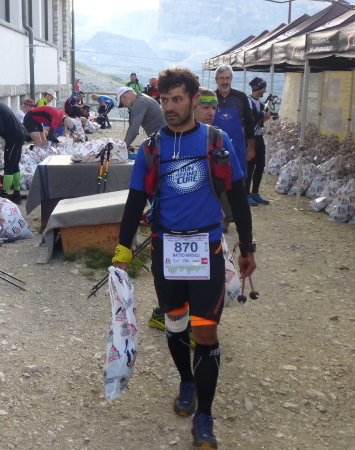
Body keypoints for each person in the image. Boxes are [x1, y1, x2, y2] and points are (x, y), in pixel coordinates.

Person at [112, 68, 256, 449]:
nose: (169, 107)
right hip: (167, 250)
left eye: (177, 99)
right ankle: (187, 381)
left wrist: (247, 246)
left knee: (205, 331)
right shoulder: (151, 148)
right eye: (164, 100)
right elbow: (134, 203)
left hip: (207, 249)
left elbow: (237, 196)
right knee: (175, 326)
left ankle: (204, 416)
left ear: (194, 100)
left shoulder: (216, 141)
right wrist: (122, 252)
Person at [147, 86, 224, 338]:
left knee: (199, 287)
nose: (211, 112)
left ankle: (194, 325)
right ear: (193, 105)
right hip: (171, 235)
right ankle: (167, 315)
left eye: (214, 108)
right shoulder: (161, 142)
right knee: (177, 292)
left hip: (205, 234)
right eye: (205, 107)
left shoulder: (217, 139)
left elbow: (228, 187)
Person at [213, 64, 256, 231]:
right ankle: (223, 218)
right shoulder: (211, 98)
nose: (225, 81)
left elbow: (250, 123)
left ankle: (235, 217)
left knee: (237, 181)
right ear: (216, 80)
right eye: (221, 78)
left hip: (237, 146)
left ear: (231, 79)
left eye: (227, 78)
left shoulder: (240, 97)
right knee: (218, 181)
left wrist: (251, 147)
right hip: (215, 146)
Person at [247, 76, 272, 206]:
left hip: (259, 136)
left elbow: (261, 121)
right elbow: (251, 118)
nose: (265, 90)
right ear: (258, 88)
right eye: (263, 88)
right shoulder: (248, 101)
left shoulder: (260, 103)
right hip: (250, 137)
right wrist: (262, 114)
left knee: (260, 165)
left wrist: (266, 116)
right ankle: (246, 193)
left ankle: (255, 192)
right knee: (249, 166)